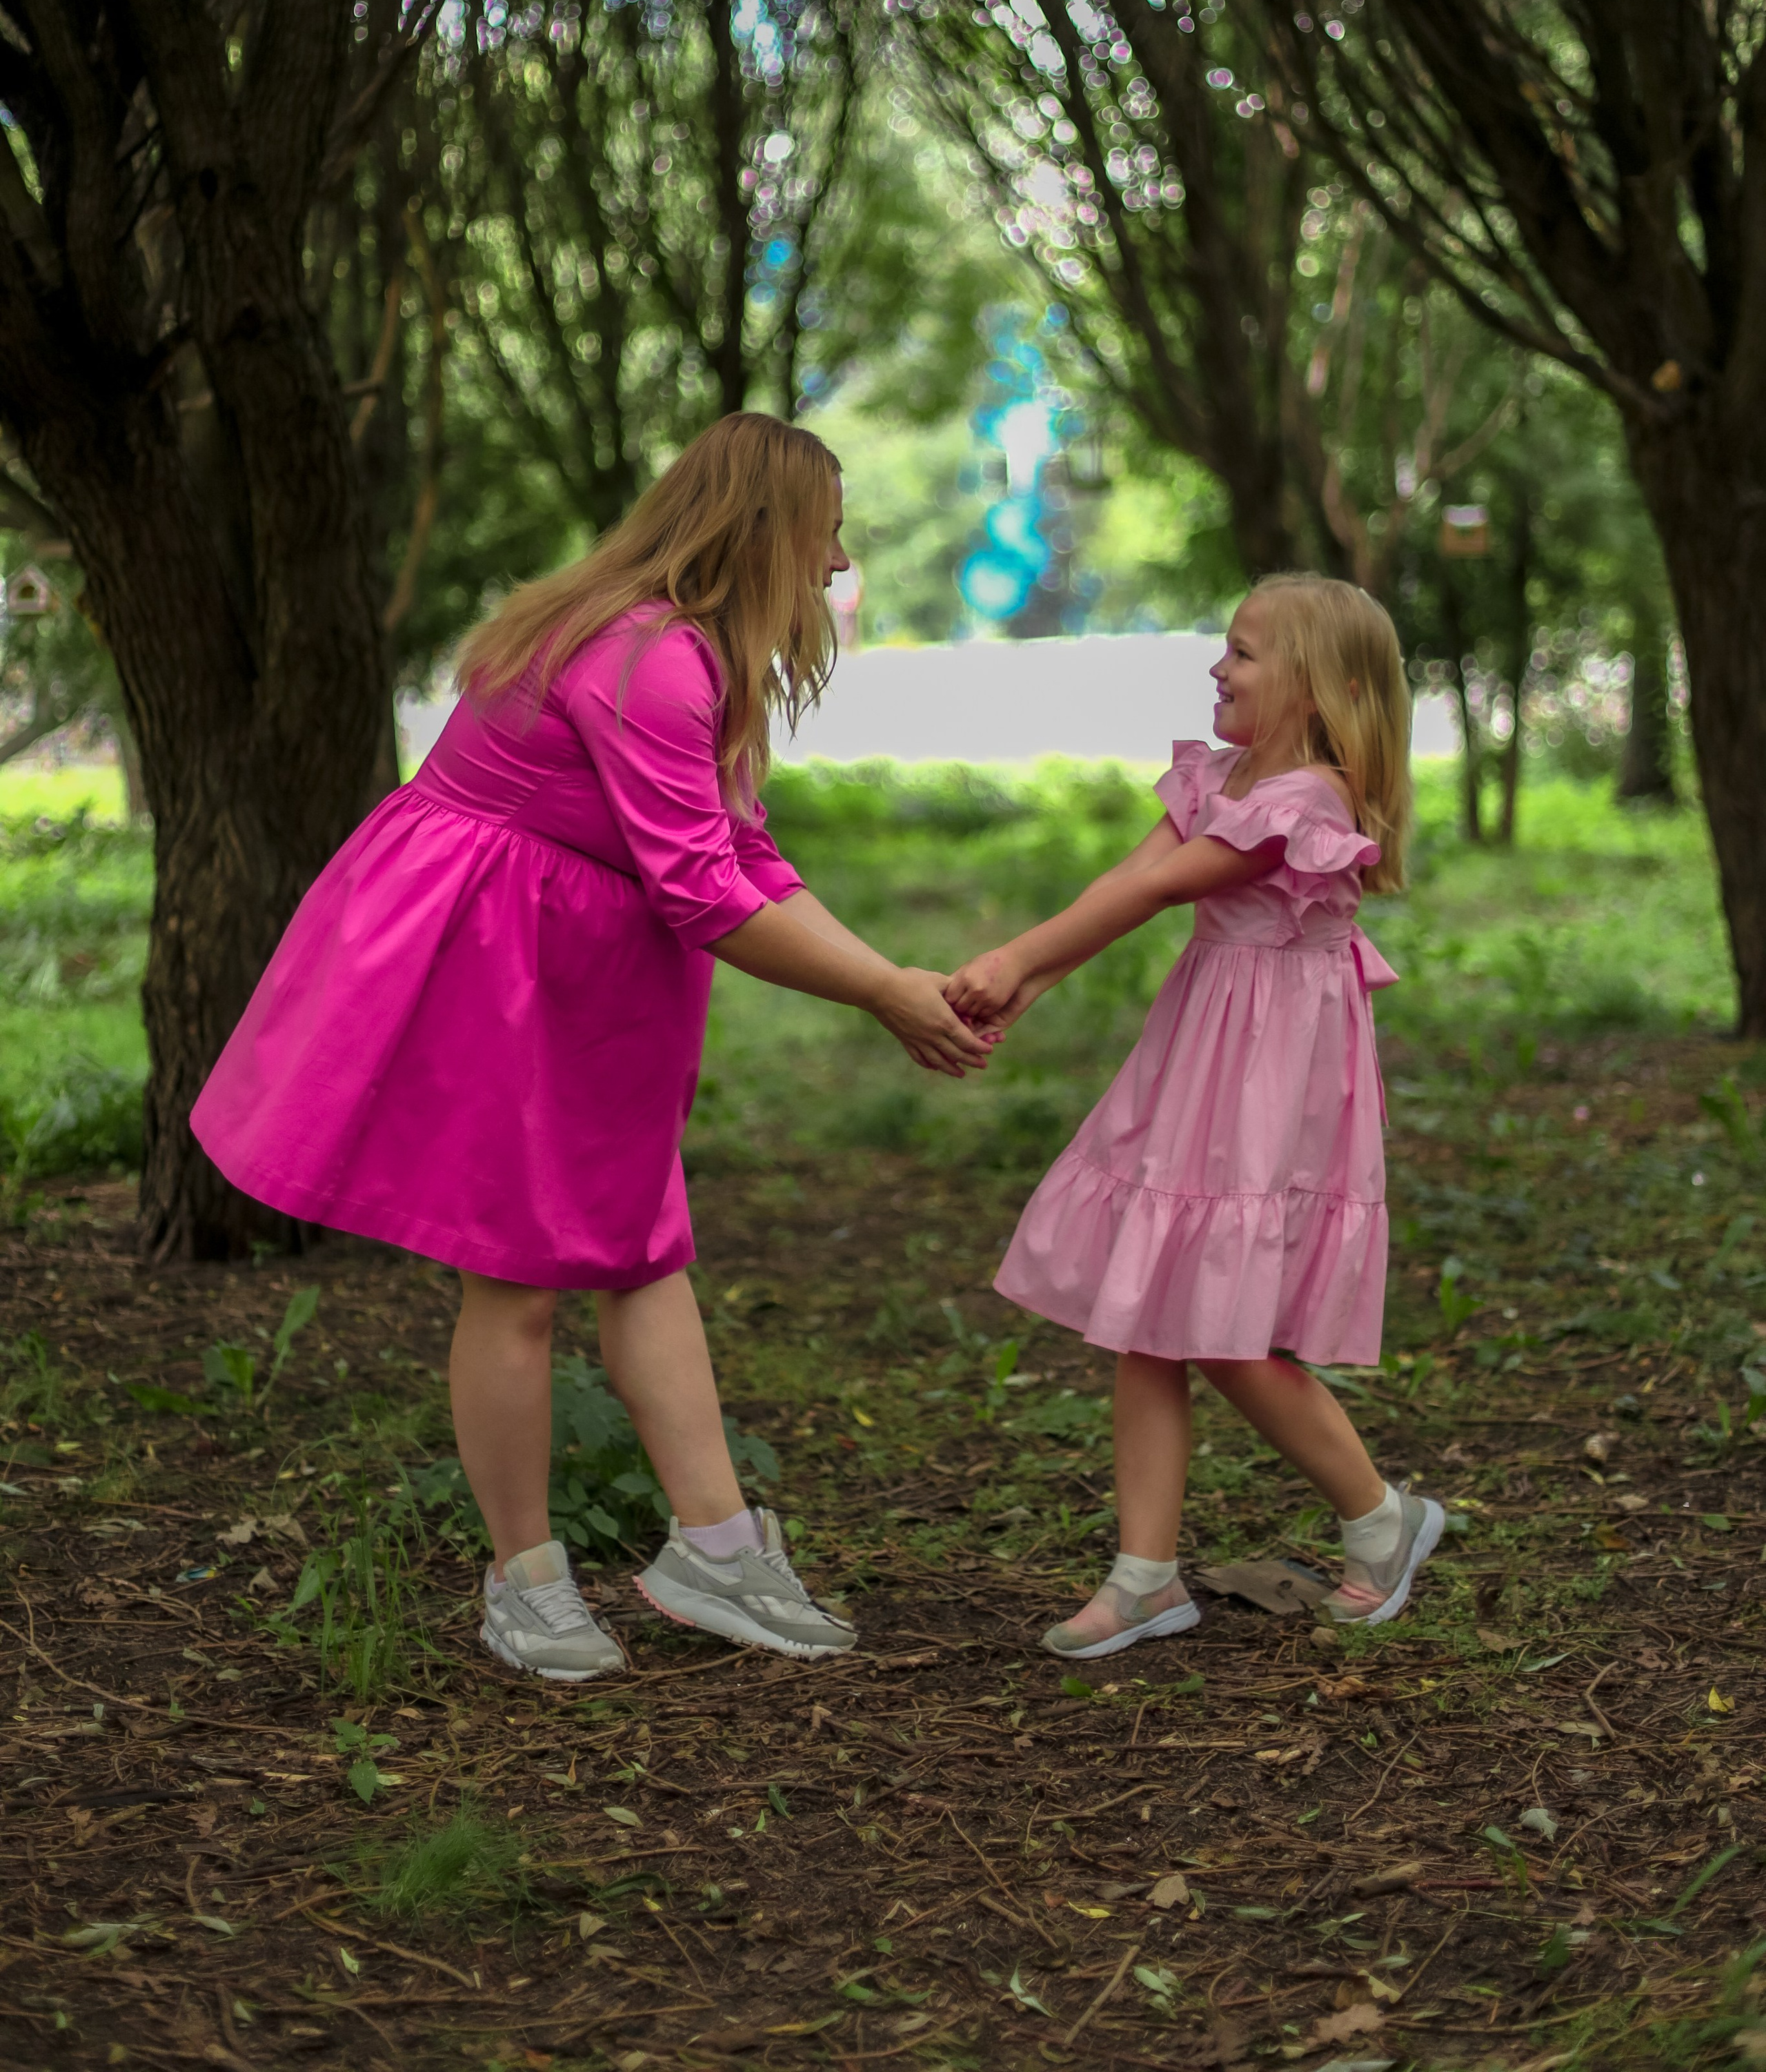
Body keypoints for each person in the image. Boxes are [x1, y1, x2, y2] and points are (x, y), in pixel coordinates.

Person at [192, 413, 989, 1682]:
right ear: (768, 533)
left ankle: (715, 1548)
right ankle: (526, 1580)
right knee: (517, 1280)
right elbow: (710, 899)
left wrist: (896, 978)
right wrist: (883, 995)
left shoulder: (676, 648)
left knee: (640, 1244)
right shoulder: (646, 662)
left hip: (580, 961)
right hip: (497, 961)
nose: (838, 569)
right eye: (829, 538)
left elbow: (748, 855)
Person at [944, 574, 1440, 1659]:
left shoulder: (1308, 797)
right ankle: (1144, 1578)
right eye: (1227, 645)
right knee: (1150, 1310)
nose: (1220, 666)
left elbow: (1166, 886)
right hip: (1207, 1055)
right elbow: (1127, 878)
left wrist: (1018, 957)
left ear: (1325, 689)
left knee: (1233, 1336)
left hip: (1271, 1081)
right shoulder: (1221, 776)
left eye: (1248, 652)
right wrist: (1033, 978)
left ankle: (1382, 1520)